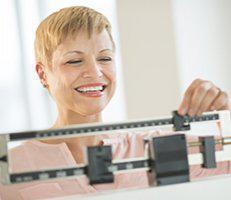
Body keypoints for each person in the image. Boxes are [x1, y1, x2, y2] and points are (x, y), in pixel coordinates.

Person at [0, 6, 230, 200]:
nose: (95, 72)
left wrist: (227, 110)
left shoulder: (155, 147)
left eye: (104, 58)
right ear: (42, 74)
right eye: (74, 61)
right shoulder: (10, 167)